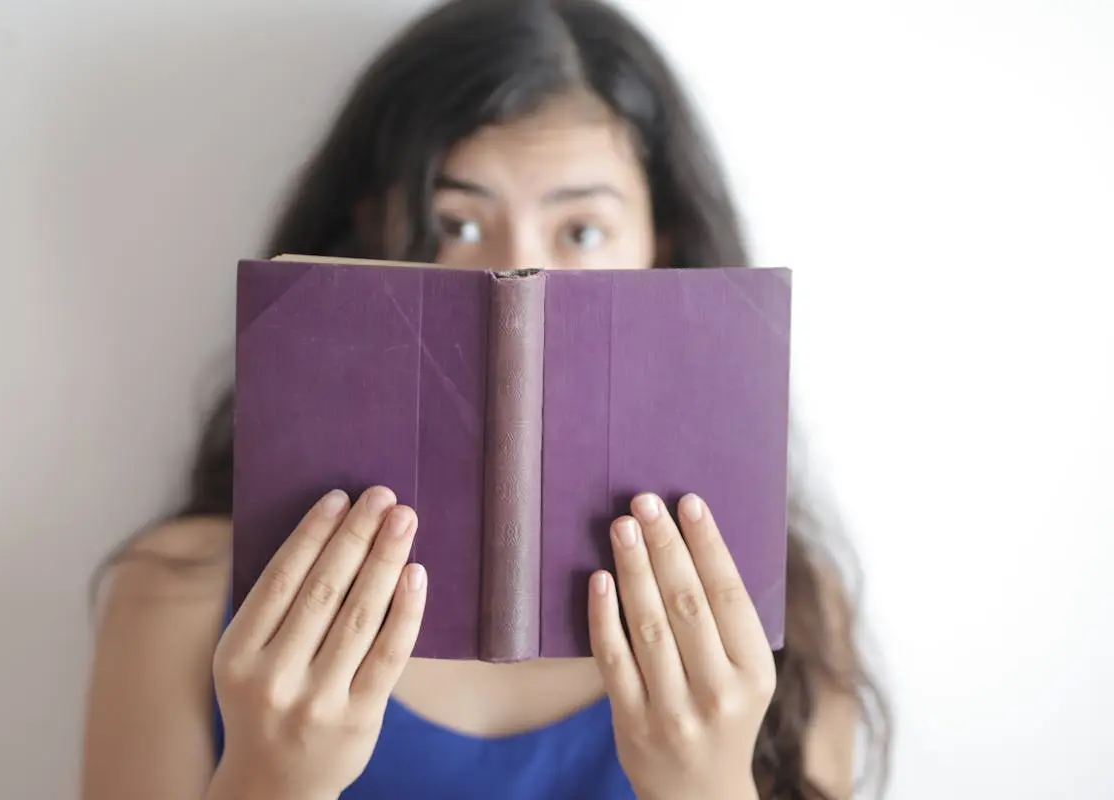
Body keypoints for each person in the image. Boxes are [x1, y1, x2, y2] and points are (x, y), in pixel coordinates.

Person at [82, 0, 892, 798]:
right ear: (371, 232)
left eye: (581, 231)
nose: (518, 276)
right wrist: (268, 778)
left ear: (662, 251)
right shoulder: (179, 594)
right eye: (457, 222)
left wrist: (706, 785)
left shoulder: (779, 616)